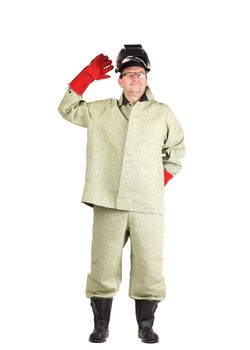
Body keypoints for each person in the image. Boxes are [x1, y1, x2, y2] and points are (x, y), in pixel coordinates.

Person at [58, 44, 185, 343]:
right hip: (108, 200)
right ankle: (101, 325)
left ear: (147, 78)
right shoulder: (100, 111)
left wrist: (157, 181)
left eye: (139, 74)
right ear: (119, 79)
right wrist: (86, 76)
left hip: (147, 203)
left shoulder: (161, 113)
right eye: (128, 74)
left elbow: (176, 151)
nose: (135, 80)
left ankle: (146, 326)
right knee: (102, 264)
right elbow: (66, 109)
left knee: (149, 265)